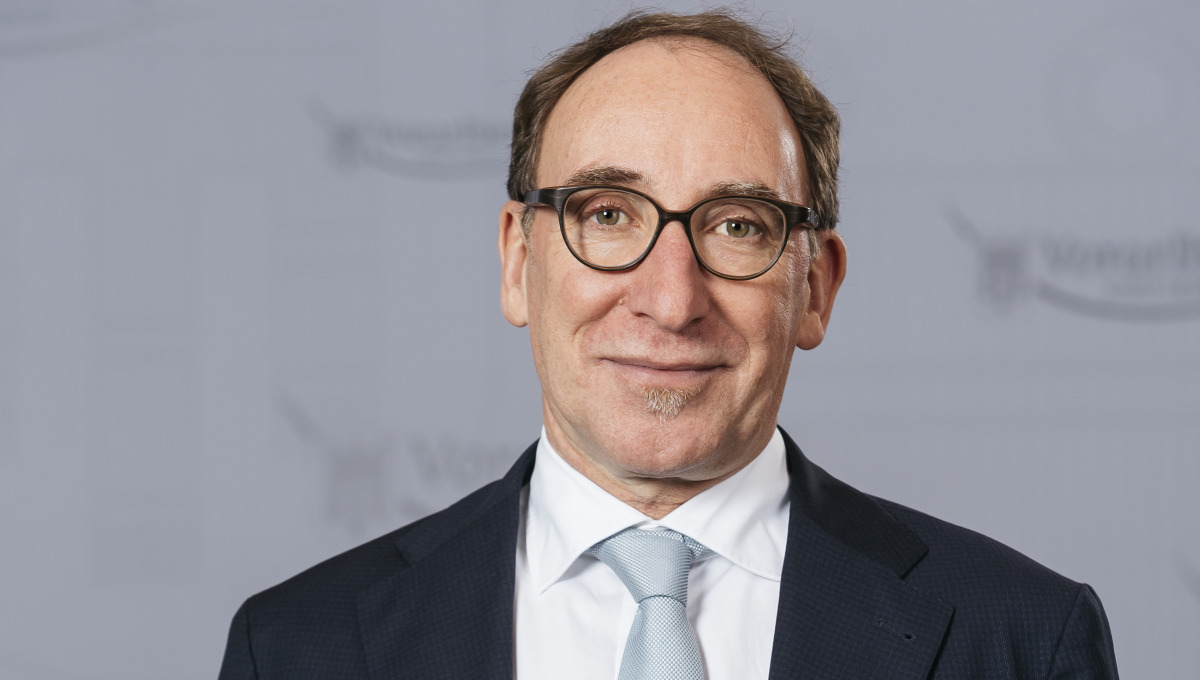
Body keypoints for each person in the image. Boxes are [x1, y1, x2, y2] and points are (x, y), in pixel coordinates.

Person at [218, 9, 1119, 679]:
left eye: (737, 226)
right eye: (608, 215)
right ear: (518, 262)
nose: (671, 299)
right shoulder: (298, 646)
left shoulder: (1025, 642)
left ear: (817, 287)